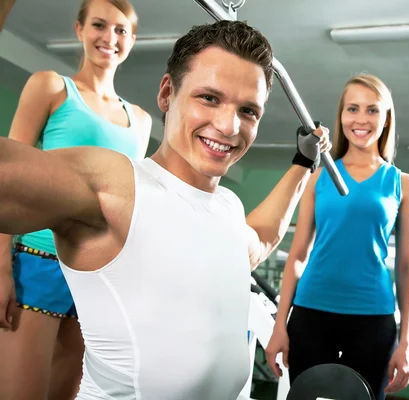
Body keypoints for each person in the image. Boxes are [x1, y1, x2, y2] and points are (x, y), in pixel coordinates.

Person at [0, 19, 330, 399]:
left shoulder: (226, 206)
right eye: (209, 98)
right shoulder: (115, 183)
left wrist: (302, 165)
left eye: (248, 111)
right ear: (167, 93)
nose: (228, 126)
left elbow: (261, 239)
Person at [0, 0, 152, 398]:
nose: (109, 38)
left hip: (98, 279)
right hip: (38, 264)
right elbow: (6, 179)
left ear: (132, 41)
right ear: (79, 29)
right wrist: (0, 268)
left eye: (121, 30)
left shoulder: (141, 120)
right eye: (99, 25)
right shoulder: (51, 87)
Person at [264, 74, 409, 399]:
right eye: (353, 109)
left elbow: (407, 265)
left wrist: (405, 342)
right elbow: (297, 257)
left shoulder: (402, 183)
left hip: (373, 319)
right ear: (341, 116)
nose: (361, 119)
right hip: (311, 314)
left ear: (386, 117)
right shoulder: (318, 177)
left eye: (372, 110)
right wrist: (280, 324)